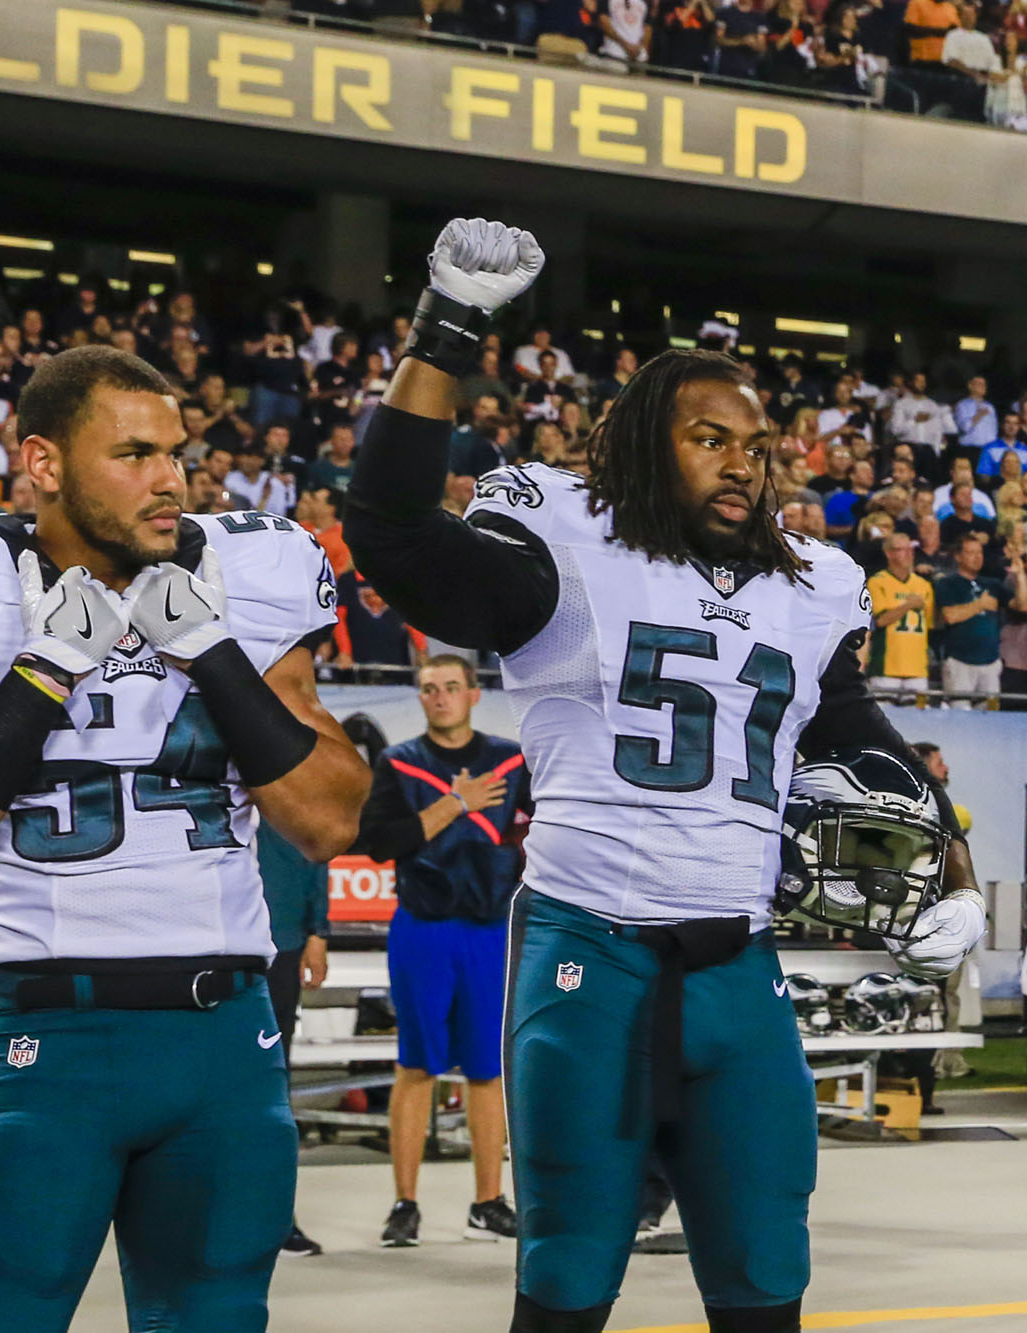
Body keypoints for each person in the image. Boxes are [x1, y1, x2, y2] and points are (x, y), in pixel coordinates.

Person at [342, 218, 986, 1333]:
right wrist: (442, 334)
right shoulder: (570, 542)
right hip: (589, 951)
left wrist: (960, 872)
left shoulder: (815, 583)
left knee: (764, 1276)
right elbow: (391, 531)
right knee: (567, 1278)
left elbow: (847, 724)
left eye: (754, 442)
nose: (743, 461)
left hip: (737, 964)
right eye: (708, 437)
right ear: (646, 443)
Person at [0, 346, 369, 1332]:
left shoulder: (249, 569)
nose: (170, 478)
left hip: (225, 1035)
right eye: (133, 453)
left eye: (175, 451)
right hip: (52, 1027)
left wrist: (214, 655)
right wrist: (44, 670)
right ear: (42, 462)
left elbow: (330, 816)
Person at [354, 654, 530, 1246]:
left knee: (488, 1070)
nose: (439, 697)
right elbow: (381, 845)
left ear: (474, 694)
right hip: (423, 929)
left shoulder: (511, 760)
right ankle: (404, 1203)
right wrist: (456, 803)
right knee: (416, 1065)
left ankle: (488, 1202)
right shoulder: (399, 763)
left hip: (490, 930)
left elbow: (542, 827)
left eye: (451, 687)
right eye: (429, 688)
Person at [255, 819, 332, 1258]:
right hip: (202, 946)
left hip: (278, 942)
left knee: (272, 1086)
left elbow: (318, 834)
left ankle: (276, 1218)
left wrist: (318, 930)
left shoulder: (276, 762)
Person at [933, 531, 1008, 706]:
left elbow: (1022, 606)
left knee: (990, 719)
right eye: (971, 553)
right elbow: (950, 616)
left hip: (990, 662)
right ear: (958, 557)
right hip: (960, 662)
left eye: (980, 553)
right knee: (959, 718)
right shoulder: (948, 583)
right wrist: (980, 605)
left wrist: (1019, 575)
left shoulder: (992, 584)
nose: (977, 557)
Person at [867, 531, 935, 698]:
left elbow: (929, 623)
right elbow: (881, 620)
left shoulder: (923, 585)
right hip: (886, 667)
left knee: (918, 721)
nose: (909, 554)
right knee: (883, 719)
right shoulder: (877, 582)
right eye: (901, 549)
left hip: (917, 668)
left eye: (910, 549)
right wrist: (908, 605)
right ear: (888, 553)